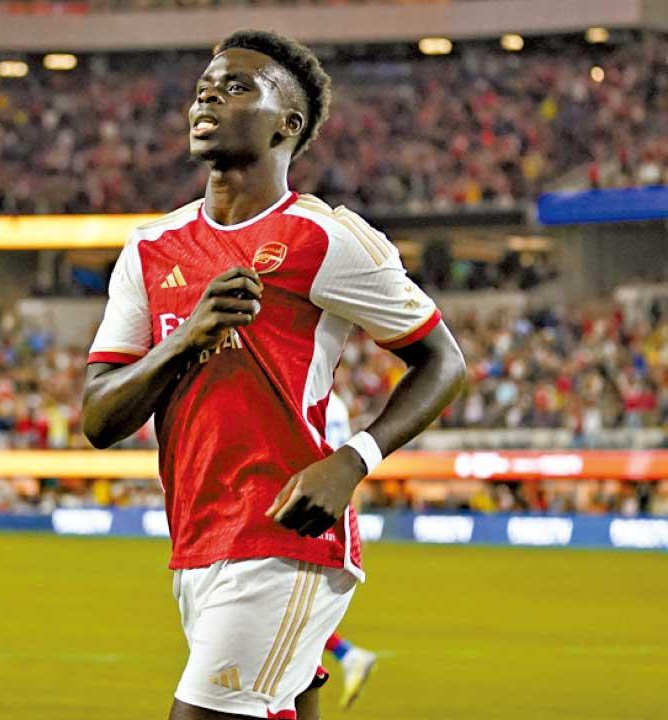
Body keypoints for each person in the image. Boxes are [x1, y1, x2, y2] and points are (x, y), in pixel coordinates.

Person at [81, 30, 465, 720]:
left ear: (286, 124)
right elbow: (99, 419)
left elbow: (443, 360)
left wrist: (353, 460)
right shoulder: (150, 249)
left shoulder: (326, 238)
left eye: (236, 88)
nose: (207, 97)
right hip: (196, 538)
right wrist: (185, 339)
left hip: (285, 535)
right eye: (205, 86)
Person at [321, 392, 377, 710]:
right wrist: (354, 521)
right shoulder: (337, 404)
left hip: (310, 509)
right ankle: (348, 655)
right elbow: (349, 468)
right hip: (334, 508)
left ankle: (349, 655)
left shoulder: (310, 394)